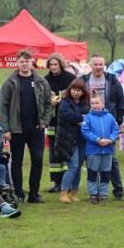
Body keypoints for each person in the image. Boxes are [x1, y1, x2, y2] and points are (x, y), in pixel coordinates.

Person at [0, 49, 52, 203]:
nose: (24, 64)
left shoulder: (41, 81)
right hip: (16, 129)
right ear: (17, 62)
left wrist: (44, 121)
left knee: (38, 160)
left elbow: (49, 103)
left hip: (36, 129)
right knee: (17, 162)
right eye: (21, 61)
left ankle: (34, 194)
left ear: (32, 62)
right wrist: (6, 129)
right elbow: (3, 107)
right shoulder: (10, 82)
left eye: (27, 61)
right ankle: (19, 194)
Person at [81, 54, 124, 201]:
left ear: (104, 65)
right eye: (96, 64)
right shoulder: (83, 81)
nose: (99, 67)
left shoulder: (112, 81)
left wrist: (117, 121)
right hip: (90, 126)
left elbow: (121, 102)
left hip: (108, 125)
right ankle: (93, 192)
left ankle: (118, 190)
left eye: (101, 64)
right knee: (92, 162)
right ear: (91, 65)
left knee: (111, 160)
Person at [44, 53, 77, 194]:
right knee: (54, 152)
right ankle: (56, 182)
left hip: (67, 121)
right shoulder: (45, 80)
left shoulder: (70, 79)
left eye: (55, 64)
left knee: (67, 151)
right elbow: (41, 99)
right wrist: (49, 102)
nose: (53, 67)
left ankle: (68, 182)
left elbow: (78, 94)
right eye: (51, 65)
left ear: (61, 64)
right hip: (52, 121)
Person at [55, 79, 90, 204]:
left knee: (78, 167)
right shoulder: (64, 102)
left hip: (81, 139)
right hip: (68, 139)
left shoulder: (85, 103)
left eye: (79, 90)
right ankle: (64, 192)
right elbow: (67, 115)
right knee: (73, 166)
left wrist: (83, 119)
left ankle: (74, 192)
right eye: (74, 89)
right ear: (70, 90)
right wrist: (83, 118)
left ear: (83, 92)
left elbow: (89, 115)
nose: (76, 92)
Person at [81, 95, 120, 204]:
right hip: (93, 150)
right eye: (92, 103)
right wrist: (98, 140)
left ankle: (103, 194)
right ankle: (93, 194)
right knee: (92, 173)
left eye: (97, 103)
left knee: (105, 173)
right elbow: (85, 132)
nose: (95, 105)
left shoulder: (110, 117)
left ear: (102, 103)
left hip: (107, 150)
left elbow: (115, 130)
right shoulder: (88, 118)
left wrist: (111, 139)